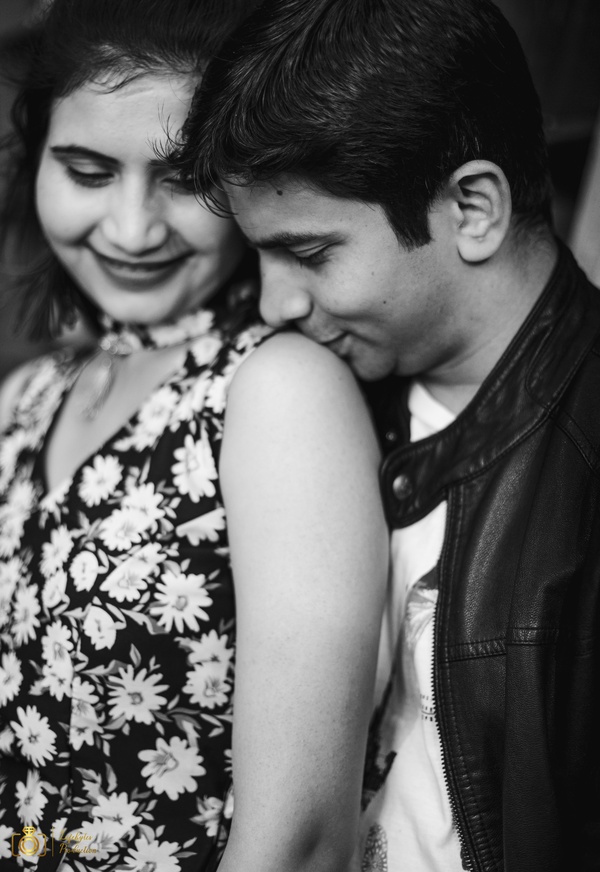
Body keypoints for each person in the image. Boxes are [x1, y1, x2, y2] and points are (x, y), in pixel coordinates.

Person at [168, 0, 600, 870]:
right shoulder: (327, 393)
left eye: (310, 254)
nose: (275, 303)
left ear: (472, 209)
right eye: (258, 256)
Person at [0, 1, 389, 869]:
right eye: (88, 172)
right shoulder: (27, 399)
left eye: (183, 181)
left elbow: (299, 841)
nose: (132, 229)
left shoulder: (277, 392)